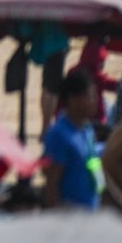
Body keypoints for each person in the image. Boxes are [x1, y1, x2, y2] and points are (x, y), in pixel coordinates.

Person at [42, 71, 103, 210]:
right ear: (73, 99)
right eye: (90, 96)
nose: (95, 101)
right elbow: (52, 184)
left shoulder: (87, 129)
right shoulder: (58, 135)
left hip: (91, 212)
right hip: (69, 216)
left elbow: (94, 163)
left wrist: (100, 195)